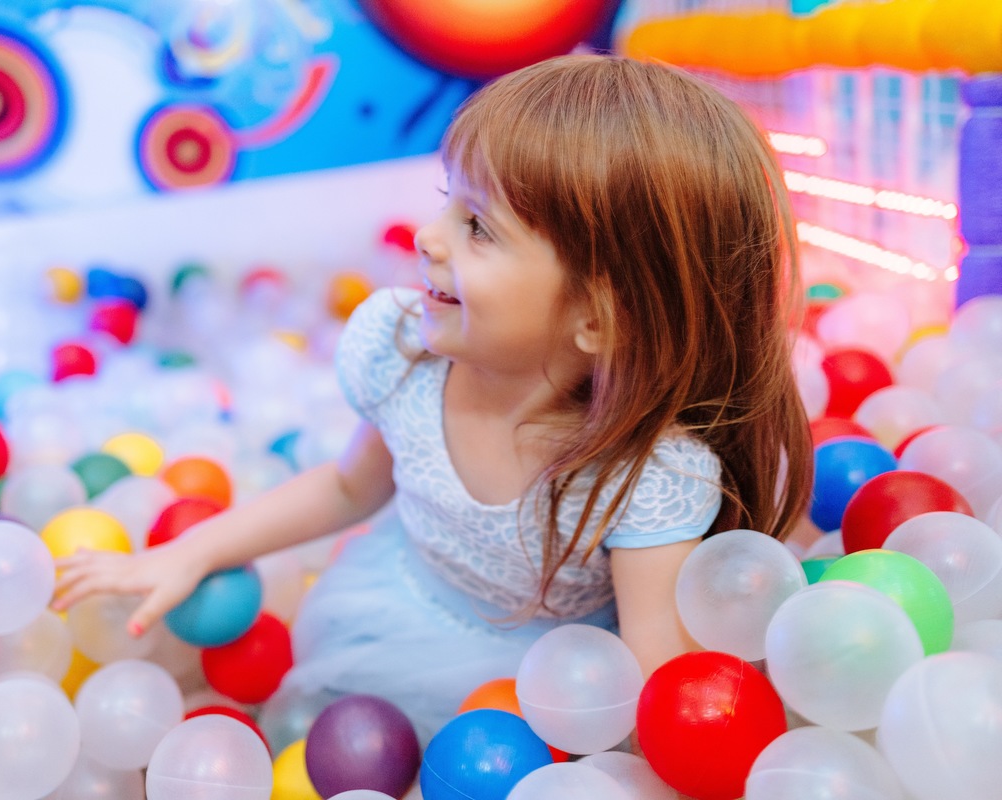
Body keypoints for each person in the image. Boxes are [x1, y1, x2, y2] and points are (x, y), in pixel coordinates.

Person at [54, 54, 814, 742]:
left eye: (479, 227)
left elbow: (654, 679)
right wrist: (191, 551)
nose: (428, 237)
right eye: (449, 200)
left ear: (598, 316)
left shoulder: (644, 475)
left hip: (543, 685)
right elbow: (351, 486)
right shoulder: (407, 355)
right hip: (394, 609)